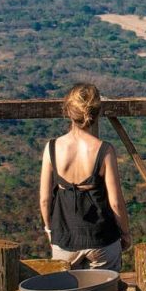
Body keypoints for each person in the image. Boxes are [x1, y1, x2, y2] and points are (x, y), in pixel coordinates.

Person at [40, 83, 132, 271]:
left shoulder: (51, 148)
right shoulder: (104, 150)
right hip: (102, 239)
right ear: (97, 113)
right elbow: (115, 203)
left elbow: (44, 199)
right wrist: (126, 233)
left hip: (64, 239)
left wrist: (50, 230)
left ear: (68, 111)